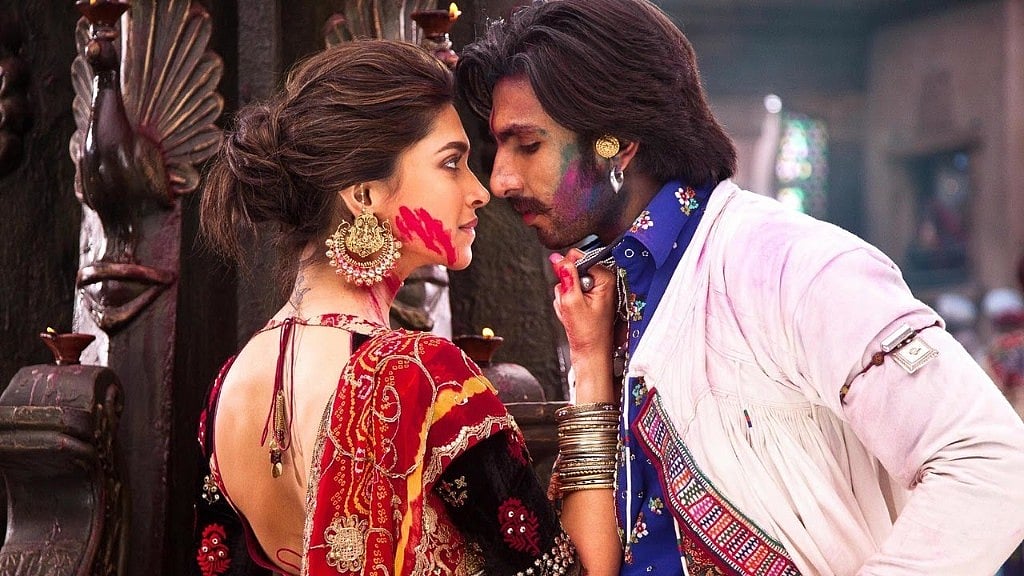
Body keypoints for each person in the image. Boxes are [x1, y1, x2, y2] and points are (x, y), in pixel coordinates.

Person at [456, 1, 1024, 574]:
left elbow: (990, 462)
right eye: (497, 147)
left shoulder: (789, 264)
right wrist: (590, 365)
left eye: (528, 145)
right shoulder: (602, 292)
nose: (499, 179)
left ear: (617, 143)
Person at [191, 40, 618, 576]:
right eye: (451, 164)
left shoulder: (230, 386)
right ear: (364, 196)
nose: (480, 191)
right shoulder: (421, 376)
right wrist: (590, 363)